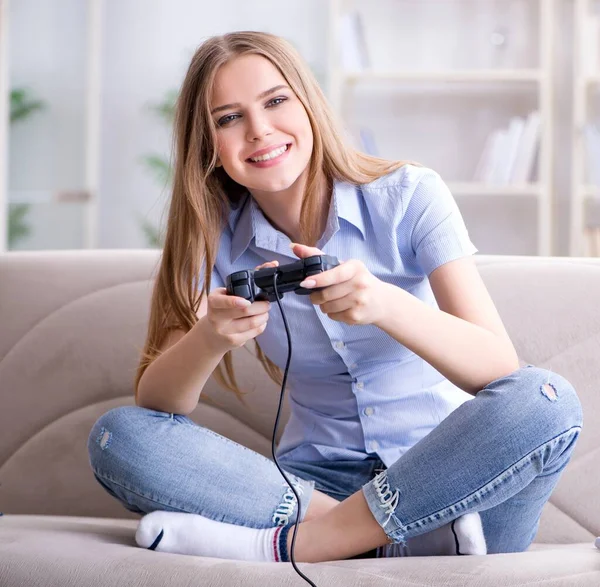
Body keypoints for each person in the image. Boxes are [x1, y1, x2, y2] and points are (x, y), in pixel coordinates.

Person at [87, 31, 583, 564]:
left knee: (546, 399)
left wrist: (387, 305)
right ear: (207, 142)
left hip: (452, 481)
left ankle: (304, 546)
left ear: (309, 103)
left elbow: (498, 368)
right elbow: (158, 403)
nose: (259, 131)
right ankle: (389, 539)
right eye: (228, 118)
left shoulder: (410, 196)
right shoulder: (211, 236)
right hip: (313, 487)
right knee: (119, 437)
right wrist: (209, 338)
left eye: (276, 101)